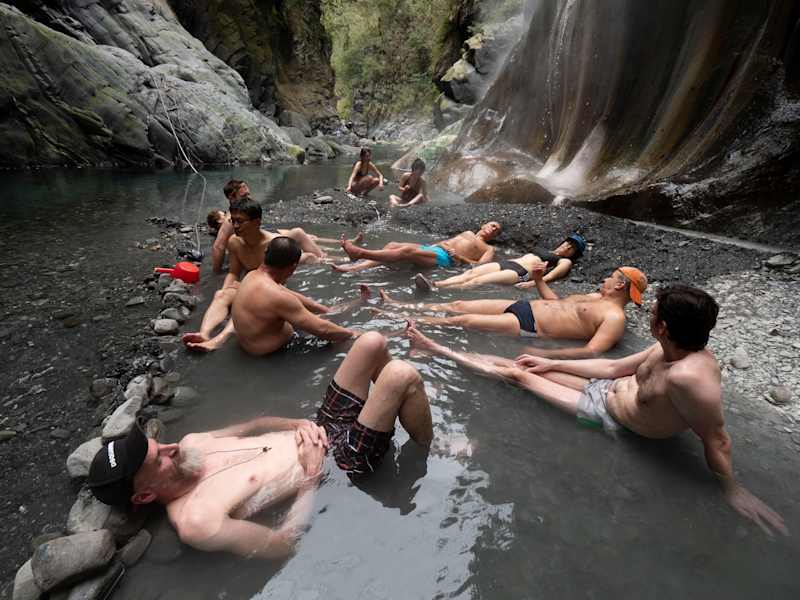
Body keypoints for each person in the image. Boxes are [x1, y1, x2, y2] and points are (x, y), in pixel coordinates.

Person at [404, 284, 788, 537]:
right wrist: (552, 362)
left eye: (652, 313)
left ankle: (434, 349)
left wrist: (731, 488)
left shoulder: (691, 378)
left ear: (661, 325)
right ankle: (442, 350)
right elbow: (612, 367)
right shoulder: (669, 346)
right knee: (523, 366)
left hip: (610, 418)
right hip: (606, 391)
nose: (648, 316)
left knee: (517, 378)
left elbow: (717, 437)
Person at [87, 333, 433, 558]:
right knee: (400, 375)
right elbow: (283, 545)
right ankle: (432, 445)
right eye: (158, 459)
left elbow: (253, 425)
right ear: (145, 496)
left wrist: (296, 423)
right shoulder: (197, 520)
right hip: (338, 463)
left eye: (158, 444)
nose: (170, 448)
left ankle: (407, 409)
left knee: (371, 342)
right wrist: (312, 475)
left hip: (318, 428)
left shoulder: (192, 442)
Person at [379, 266, 647, 358]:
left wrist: (546, 354)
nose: (605, 279)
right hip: (526, 306)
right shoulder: (595, 297)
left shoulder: (614, 318)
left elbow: (592, 350)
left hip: (531, 325)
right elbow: (559, 304)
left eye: (611, 277)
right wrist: (539, 280)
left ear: (620, 285)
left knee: (464, 320)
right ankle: (398, 306)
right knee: (458, 305)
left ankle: (404, 324)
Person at [231, 237, 362, 356]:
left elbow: (287, 292)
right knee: (345, 341)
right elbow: (323, 330)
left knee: (325, 317)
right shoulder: (278, 297)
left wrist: (324, 309)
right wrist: (353, 334)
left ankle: (350, 306)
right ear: (293, 267)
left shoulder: (252, 276)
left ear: (266, 254)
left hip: (249, 345)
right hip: (273, 355)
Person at [211, 179, 329, 273]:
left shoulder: (240, 213)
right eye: (244, 196)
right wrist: (216, 272)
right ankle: (325, 259)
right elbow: (218, 246)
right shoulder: (230, 220)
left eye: (249, 195)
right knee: (299, 235)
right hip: (260, 253)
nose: (249, 198)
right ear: (231, 197)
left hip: (261, 242)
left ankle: (325, 255)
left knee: (308, 237)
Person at [414, 232, 587, 291]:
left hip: (520, 272)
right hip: (507, 263)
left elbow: (552, 276)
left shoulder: (565, 261)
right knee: (470, 272)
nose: (567, 246)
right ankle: (435, 284)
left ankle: (439, 289)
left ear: (574, 254)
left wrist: (533, 283)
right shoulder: (545, 250)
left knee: (477, 281)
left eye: (572, 247)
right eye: (567, 242)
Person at [331, 221, 503, 274]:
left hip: (446, 259)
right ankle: (356, 267)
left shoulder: (488, 249)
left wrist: (459, 257)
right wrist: (439, 245)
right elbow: (446, 242)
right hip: (435, 249)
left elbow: (480, 266)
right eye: (492, 225)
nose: (493, 229)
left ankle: (359, 253)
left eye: (496, 230)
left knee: (407, 252)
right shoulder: (467, 232)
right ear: (483, 224)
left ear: (495, 236)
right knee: (392, 245)